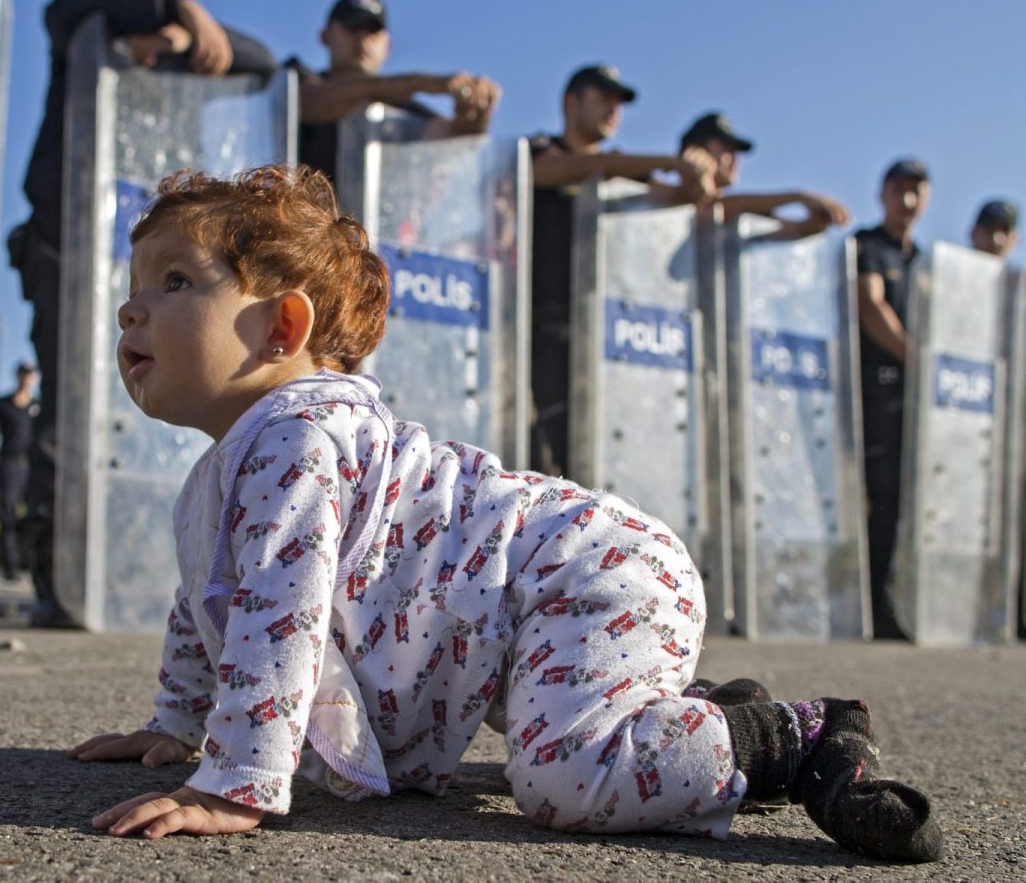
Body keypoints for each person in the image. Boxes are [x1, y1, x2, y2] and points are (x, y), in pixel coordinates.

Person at [64, 165, 943, 863]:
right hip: (537, 610)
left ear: (281, 329)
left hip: (589, 573)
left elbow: (276, 610)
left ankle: (791, 736)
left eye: (175, 280)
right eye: (133, 286)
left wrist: (236, 780)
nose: (131, 307)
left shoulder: (298, 439)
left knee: (566, 781)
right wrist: (177, 726)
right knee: (562, 740)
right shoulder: (224, 471)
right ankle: (686, 708)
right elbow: (208, 604)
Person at [11, 0, 276, 627]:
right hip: (69, 245)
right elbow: (79, 16)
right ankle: (55, 576)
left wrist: (189, 24)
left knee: (166, 399)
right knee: (67, 402)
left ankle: (159, 575)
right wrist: (180, 9)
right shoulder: (83, 16)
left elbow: (260, 63)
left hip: (154, 261)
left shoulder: (194, 39)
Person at [524, 65, 714, 475]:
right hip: (545, 328)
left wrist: (697, 175)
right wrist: (661, 161)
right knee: (546, 452)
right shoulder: (540, 147)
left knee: (601, 449)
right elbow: (545, 170)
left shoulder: (625, 173)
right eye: (604, 97)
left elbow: (684, 199)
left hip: (610, 335)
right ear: (571, 102)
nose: (614, 109)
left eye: (620, 102)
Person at [288, 0, 502, 186]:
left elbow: (452, 142)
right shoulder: (295, 78)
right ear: (326, 36)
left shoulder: (402, 109)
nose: (363, 38)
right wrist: (425, 83)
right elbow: (317, 102)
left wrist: (475, 119)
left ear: (388, 45)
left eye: (373, 30)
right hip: (305, 224)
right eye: (352, 27)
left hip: (369, 226)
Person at [852, 158, 931, 641]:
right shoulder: (871, 247)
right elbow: (870, 303)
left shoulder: (924, 262)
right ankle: (873, 604)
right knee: (878, 497)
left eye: (917, 191)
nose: (908, 201)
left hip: (917, 400)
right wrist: (919, 359)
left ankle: (895, 598)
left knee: (904, 501)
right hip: (878, 391)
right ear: (883, 194)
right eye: (899, 190)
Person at [678, 112, 849, 236]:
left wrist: (816, 223)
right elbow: (713, 208)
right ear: (696, 150)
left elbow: (793, 229)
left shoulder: (747, 211)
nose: (736, 159)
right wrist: (798, 197)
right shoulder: (670, 199)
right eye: (727, 148)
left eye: (737, 151)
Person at [0, 363, 40, 581]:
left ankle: (32, 563)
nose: (27, 378)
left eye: (31, 374)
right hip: (9, 463)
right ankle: (11, 567)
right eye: (24, 374)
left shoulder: (39, 406)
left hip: (34, 466)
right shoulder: (2, 404)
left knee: (35, 515)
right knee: (7, 513)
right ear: (17, 375)